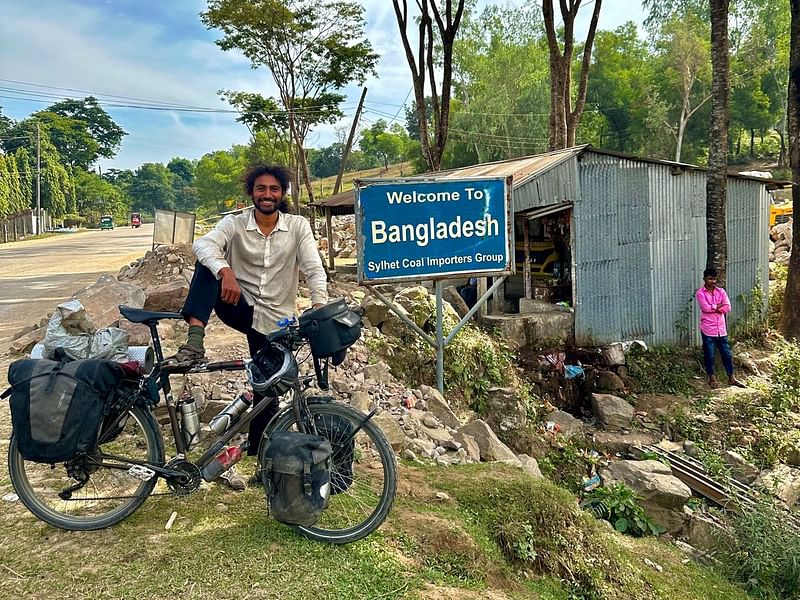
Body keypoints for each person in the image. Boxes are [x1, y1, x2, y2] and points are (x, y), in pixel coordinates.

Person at [165, 164, 328, 487]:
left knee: (267, 392)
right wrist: (225, 270)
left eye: (274, 189)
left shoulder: (297, 227)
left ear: (283, 194)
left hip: (276, 321)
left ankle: (262, 463)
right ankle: (194, 342)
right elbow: (203, 245)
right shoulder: (234, 223)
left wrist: (319, 304)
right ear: (251, 193)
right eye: (261, 189)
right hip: (237, 305)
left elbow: (312, 266)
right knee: (208, 264)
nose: (267, 195)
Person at [695, 268, 745, 389]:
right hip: (708, 329)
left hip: (721, 330)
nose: (712, 281)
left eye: (714, 279)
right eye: (710, 278)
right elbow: (705, 308)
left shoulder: (721, 291)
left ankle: (731, 378)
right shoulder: (700, 293)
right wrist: (718, 307)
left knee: (727, 354)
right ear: (704, 279)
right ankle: (711, 378)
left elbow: (727, 307)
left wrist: (714, 307)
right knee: (710, 355)